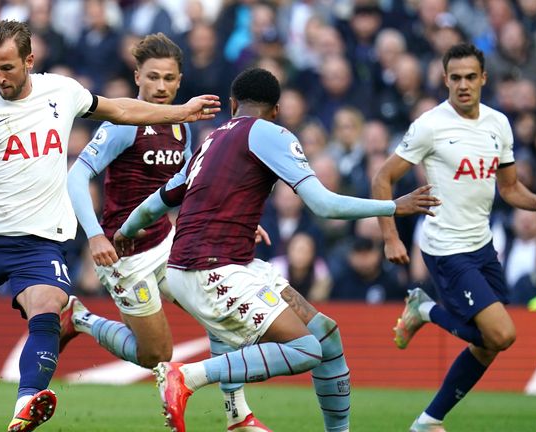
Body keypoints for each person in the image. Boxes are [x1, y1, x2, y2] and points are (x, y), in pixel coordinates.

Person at [0, 19, 219, 432]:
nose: (0, 78)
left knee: (48, 305)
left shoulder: (62, 91)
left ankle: (26, 404)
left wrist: (181, 112)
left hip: (40, 241)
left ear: (29, 60)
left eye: (8, 68)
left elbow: (122, 109)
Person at [114, 68, 440, 432]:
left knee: (326, 336)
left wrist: (126, 232)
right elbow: (324, 206)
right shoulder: (272, 134)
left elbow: (159, 200)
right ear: (276, 110)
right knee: (306, 350)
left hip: (217, 263)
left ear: (234, 104)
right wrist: (395, 206)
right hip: (210, 268)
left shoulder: (212, 140)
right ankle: (187, 375)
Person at [64, 32, 270, 431]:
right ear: (137, 76)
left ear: (179, 81)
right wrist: (94, 235)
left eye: (169, 79)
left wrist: (237, 218)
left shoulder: (182, 125)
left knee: (222, 315)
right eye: (153, 77)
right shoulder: (123, 123)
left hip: (168, 242)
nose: (161, 87)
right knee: (156, 354)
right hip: (125, 253)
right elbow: (76, 176)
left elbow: (184, 188)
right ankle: (81, 319)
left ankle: (237, 415)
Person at [371, 43, 536, 432]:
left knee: (489, 344)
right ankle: (423, 309)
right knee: (502, 333)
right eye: (455, 77)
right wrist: (391, 237)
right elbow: (382, 178)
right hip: (446, 247)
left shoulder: (498, 124)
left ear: (483, 79)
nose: (463, 85)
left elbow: (508, 188)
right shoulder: (430, 125)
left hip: (482, 246)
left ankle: (428, 421)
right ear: (444, 80)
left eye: (470, 77)